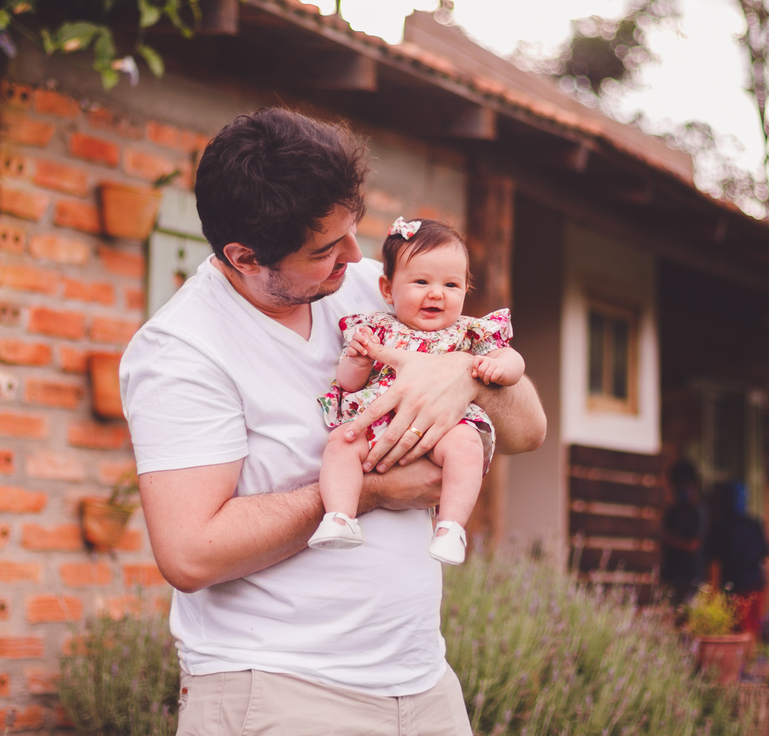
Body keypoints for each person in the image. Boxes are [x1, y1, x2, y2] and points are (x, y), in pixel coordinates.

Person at [120, 108, 546, 736]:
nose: (355, 255)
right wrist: (370, 490)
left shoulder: (376, 287)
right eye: (324, 250)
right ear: (245, 257)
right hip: (281, 690)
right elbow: (190, 554)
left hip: (424, 682)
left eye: (351, 231)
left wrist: (465, 375)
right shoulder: (182, 352)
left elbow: (528, 431)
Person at [309, 217, 524, 564]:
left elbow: (511, 358)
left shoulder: (468, 332)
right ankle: (339, 516)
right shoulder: (375, 328)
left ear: (465, 290)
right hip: (378, 425)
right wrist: (358, 360)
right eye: (421, 281)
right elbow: (348, 384)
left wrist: (501, 368)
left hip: (443, 429)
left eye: (451, 284)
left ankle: (450, 527)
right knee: (342, 442)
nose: (436, 293)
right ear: (387, 289)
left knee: (466, 446)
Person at [707, 481, 769, 639]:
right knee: (750, 631)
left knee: (736, 632)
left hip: (737, 588)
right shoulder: (753, 525)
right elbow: (764, 557)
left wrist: (713, 593)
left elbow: (714, 564)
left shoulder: (721, 526)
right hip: (752, 586)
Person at [659, 460, 704, 606]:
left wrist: (667, 539)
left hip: (690, 579)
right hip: (671, 576)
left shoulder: (697, 511)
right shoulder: (671, 511)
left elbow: (693, 545)